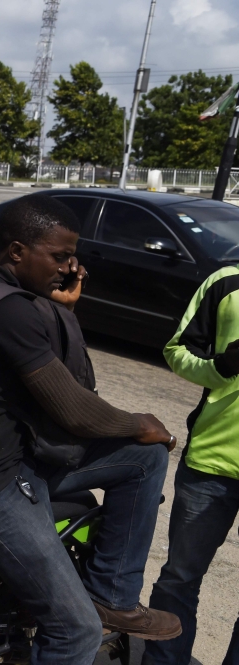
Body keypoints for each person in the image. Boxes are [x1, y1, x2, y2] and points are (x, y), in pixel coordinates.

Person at [0, 194, 181, 664]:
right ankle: (90, 612)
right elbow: (74, 407)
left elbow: (62, 382)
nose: (68, 267)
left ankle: (112, 597)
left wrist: (64, 311)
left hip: (10, 458)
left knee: (142, 460)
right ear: (18, 252)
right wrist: (139, 422)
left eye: (71, 257)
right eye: (59, 256)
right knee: (75, 631)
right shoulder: (11, 311)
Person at [144, 266, 239, 665]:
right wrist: (219, 367)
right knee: (180, 578)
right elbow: (177, 350)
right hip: (212, 463)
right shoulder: (227, 283)